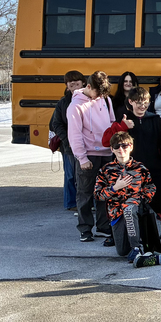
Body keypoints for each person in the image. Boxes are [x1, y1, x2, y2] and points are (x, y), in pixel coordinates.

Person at [102, 87, 161, 243]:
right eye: (138, 102)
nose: (142, 106)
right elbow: (106, 141)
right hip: (128, 170)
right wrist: (122, 127)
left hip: (154, 168)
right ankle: (115, 235)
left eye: (145, 102)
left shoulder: (155, 120)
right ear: (131, 102)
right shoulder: (123, 120)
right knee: (119, 201)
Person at [68, 71, 116, 244]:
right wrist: (82, 158)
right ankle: (85, 228)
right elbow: (74, 135)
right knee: (85, 193)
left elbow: (111, 125)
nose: (100, 97)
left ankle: (104, 226)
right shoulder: (76, 106)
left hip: (106, 153)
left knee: (105, 193)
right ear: (88, 87)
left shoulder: (106, 100)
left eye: (103, 94)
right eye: (98, 93)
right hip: (88, 154)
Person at [94, 131, 157, 260]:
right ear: (112, 149)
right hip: (116, 212)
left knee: (129, 209)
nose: (121, 149)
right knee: (122, 251)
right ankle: (131, 244)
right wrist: (115, 188)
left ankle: (136, 247)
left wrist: (141, 199)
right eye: (116, 147)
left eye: (124, 146)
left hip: (136, 209)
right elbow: (98, 195)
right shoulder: (106, 170)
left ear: (131, 147)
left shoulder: (140, 168)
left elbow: (151, 187)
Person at [50, 70, 85, 212]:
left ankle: (88, 202)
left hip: (87, 143)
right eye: (70, 81)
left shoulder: (90, 100)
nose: (74, 83)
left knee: (85, 175)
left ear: (84, 83)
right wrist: (66, 139)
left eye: (77, 80)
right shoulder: (63, 103)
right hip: (69, 146)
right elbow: (55, 124)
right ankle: (71, 203)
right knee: (71, 175)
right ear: (66, 85)